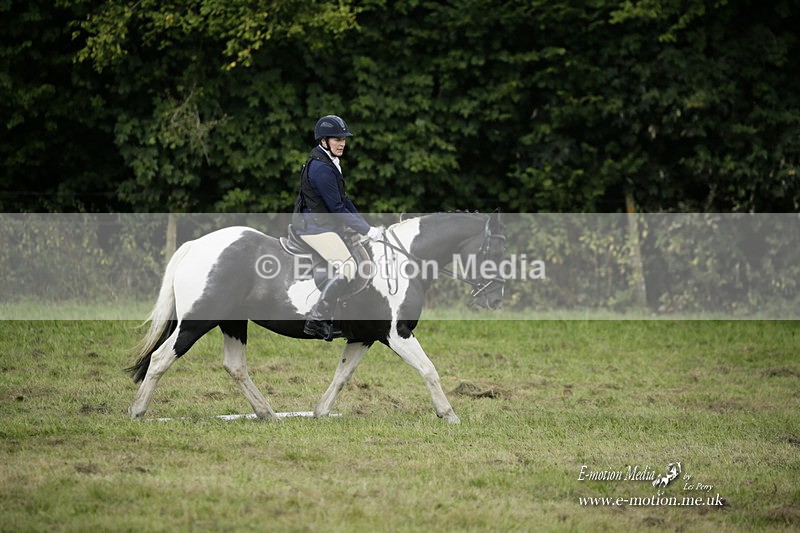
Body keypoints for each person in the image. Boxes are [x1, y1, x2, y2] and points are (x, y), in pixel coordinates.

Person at [293, 115, 383, 341]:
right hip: (314, 227)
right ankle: (317, 318)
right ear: (324, 141)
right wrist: (366, 231)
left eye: (343, 138)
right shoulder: (321, 168)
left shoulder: (330, 162)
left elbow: (344, 201)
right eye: (336, 139)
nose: (342, 143)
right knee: (348, 268)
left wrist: (365, 225)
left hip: (324, 224)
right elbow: (336, 208)